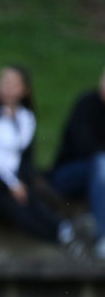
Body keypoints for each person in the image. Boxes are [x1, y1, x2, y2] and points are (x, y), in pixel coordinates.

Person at [0, 65, 80, 251]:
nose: (5, 87)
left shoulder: (26, 117)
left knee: (36, 194)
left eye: (12, 83)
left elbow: (26, 157)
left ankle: (64, 230)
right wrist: (11, 184)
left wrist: (21, 181)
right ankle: (57, 238)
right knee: (15, 203)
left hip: (14, 178)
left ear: (24, 90)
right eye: (3, 81)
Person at [48, 65, 105, 259]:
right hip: (68, 175)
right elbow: (84, 146)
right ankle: (103, 237)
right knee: (101, 163)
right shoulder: (86, 105)